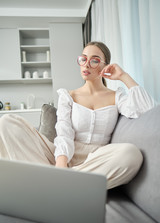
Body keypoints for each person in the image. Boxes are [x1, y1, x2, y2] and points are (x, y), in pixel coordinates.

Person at [0, 41, 155, 189]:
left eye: (94, 60)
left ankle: (52, 183)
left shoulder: (116, 97)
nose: (86, 64)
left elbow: (148, 110)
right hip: (62, 155)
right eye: (83, 59)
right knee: (7, 122)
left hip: (96, 160)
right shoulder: (68, 96)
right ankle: (64, 182)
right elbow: (64, 132)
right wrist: (61, 165)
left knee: (131, 154)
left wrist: (123, 76)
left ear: (105, 65)